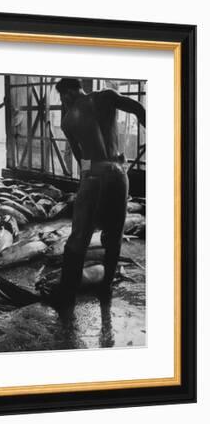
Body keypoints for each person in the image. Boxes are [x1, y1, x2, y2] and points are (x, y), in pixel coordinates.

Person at [52, 78, 146, 305]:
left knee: (79, 237)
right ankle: (106, 288)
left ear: (65, 94)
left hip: (93, 174)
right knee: (114, 235)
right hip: (119, 174)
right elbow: (138, 109)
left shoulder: (67, 120)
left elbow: (80, 157)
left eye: (63, 98)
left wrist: (86, 182)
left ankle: (67, 294)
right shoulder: (106, 96)